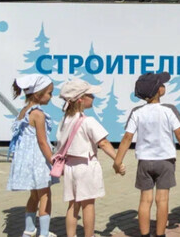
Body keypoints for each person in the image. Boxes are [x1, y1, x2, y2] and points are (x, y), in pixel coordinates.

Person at [113, 72, 180, 237]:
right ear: (159, 90)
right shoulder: (169, 110)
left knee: (145, 200)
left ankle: (144, 234)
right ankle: (160, 234)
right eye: (162, 84)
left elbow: (127, 138)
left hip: (144, 162)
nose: (164, 86)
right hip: (165, 161)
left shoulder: (136, 112)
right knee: (162, 199)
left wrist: (117, 161)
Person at [56, 79, 125, 237]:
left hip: (70, 167)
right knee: (88, 205)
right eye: (90, 94)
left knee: (73, 205)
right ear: (81, 99)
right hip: (86, 166)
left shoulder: (64, 120)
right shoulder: (88, 121)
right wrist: (117, 160)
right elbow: (103, 142)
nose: (93, 97)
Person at [8, 75, 58, 237]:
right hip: (38, 161)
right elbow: (42, 142)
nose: (51, 96)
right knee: (45, 195)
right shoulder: (38, 114)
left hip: (27, 161)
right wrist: (53, 160)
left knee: (34, 195)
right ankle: (44, 233)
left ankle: (29, 230)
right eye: (49, 93)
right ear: (37, 94)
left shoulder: (24, 112)